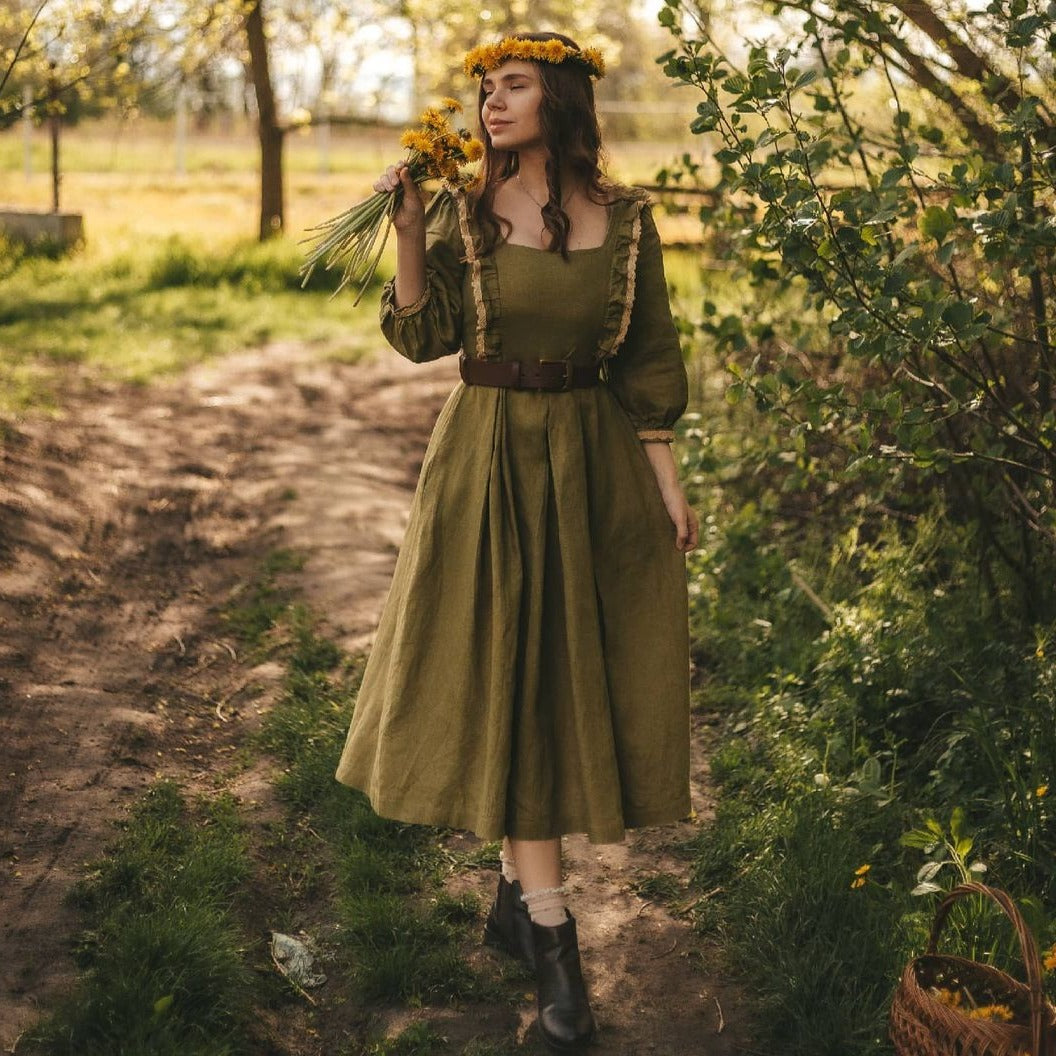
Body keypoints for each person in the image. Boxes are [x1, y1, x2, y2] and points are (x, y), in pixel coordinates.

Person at [334, 30, 699, 1053]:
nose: (493, 104)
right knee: (507, 671)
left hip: (590, 468)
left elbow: (651, 359)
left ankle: (512, 897)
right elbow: (418, 336)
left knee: (548, 680)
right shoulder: (466, 212)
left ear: (565, 100)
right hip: (487, 464)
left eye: (515, 87)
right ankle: (555, 952)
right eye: (487, 90)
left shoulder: (626, 224)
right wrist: (408, 231)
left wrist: (668, 485)